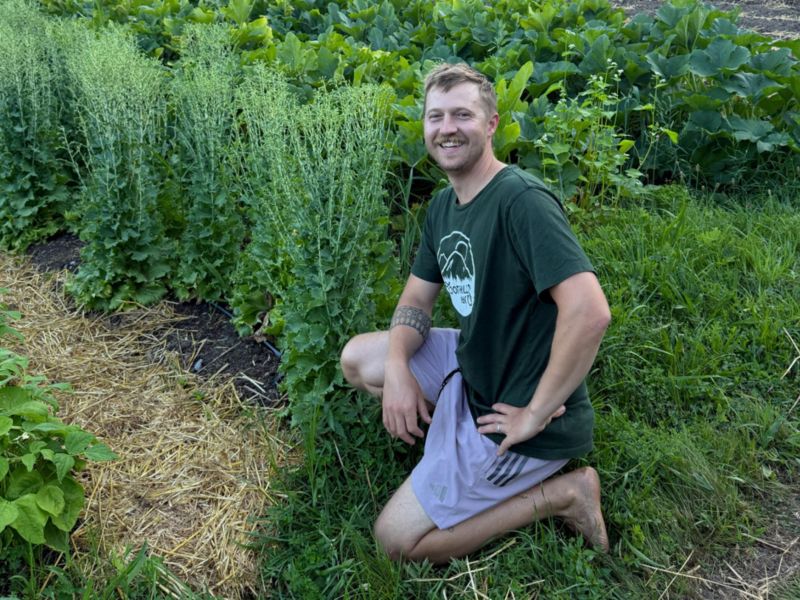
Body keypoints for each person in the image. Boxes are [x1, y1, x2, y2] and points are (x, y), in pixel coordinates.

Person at [340, 63, 611, 564]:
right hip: (475, 369)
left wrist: (535, 410)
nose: (447, 128)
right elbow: (415, 302)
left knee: (393, 543)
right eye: (435, 116)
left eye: (462, 115)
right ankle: (446, 435)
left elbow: (590, 312)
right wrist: (399, 369)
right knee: (360, 359)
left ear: (490, 124)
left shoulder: (520, 201)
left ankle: (563, 494)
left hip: (515, 413)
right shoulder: (444, 206)